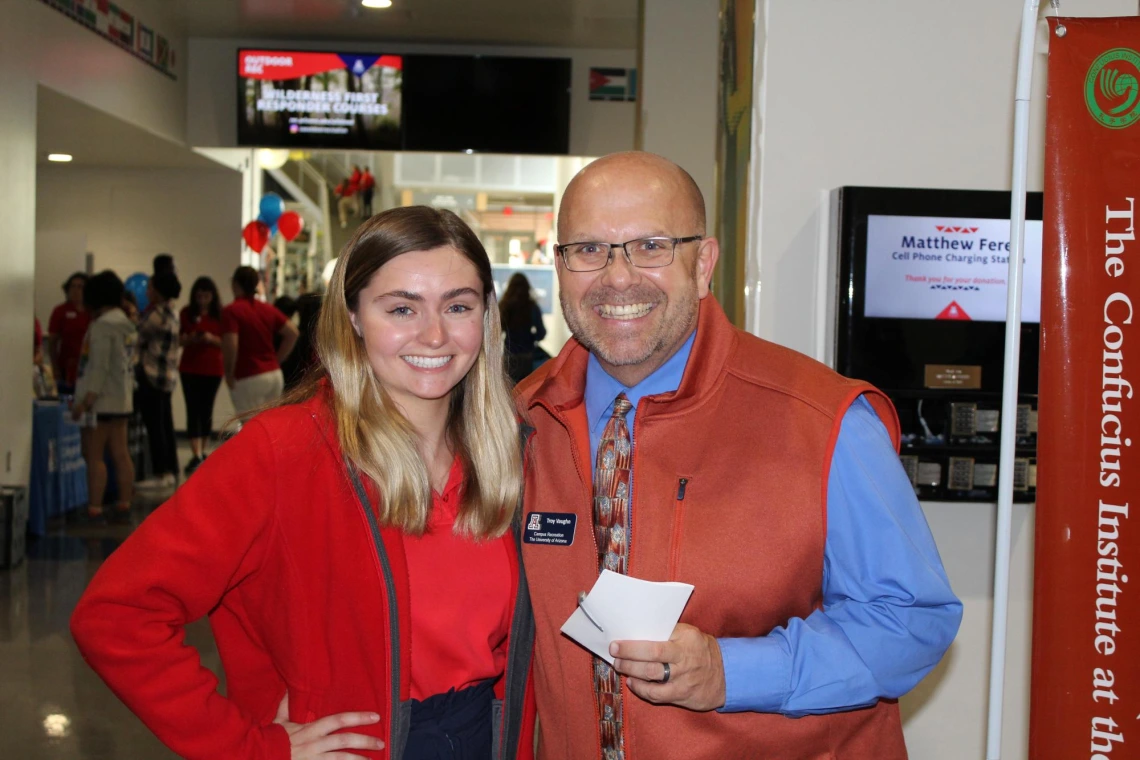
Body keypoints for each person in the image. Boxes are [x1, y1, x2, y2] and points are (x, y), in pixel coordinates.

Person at [515, 152, 962, 759]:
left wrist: (734, 672)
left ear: (703, 265)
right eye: (589, 250)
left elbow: (912, 621)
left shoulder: (821, 421)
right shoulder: (519, 425)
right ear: (560, 266)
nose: (618, 277)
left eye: (651, 246)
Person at [71, 206, 537, 760]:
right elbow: (116, 614)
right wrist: (248, 747)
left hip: (489, 736)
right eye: (402, 308)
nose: (434, 335)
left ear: (486, 318)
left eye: (458, 306)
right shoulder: (282, 451)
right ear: (354, 317)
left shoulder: (511, 450)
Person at [71, 271, 137, 522]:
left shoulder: (102, 326)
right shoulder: (126, 324)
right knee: (121, 453)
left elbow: (98, 367)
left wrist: (86, 400)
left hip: (101, 400)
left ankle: (95, 508)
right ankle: (124, 503)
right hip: (122, 399)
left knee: (95, 455)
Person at [222, 266, 299, 415]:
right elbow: (292, 333)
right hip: (273, 374)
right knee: (269, 423)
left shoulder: (231, 311)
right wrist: (276, 360)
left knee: (249, 425)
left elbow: (231, 344)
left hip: (247, 375)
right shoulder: (267, 309)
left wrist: (229, 373)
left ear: (235, 284)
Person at [136, 271, 183, 488]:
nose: (147, 291)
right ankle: (171, 469)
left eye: (150, 287)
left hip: (152, 374)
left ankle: (161, 473)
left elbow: (136, 335)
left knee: (156, 426)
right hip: (167, 376)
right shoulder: (173, 313)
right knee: (165, 424)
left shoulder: (156, 315)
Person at [179, 277, 225, 476]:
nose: (202, 300)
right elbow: (179, 339)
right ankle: (195, 452)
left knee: (206, 409)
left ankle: (203, 450)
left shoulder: (220, 316)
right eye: (199, 296)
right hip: (189, 368)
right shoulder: (186, 314)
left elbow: (226, 342)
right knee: (192, 409)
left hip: (212, 369)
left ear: (212, 297)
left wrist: (210, 339)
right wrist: (191, 338)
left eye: (206, 296)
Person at [48, 272, 90, 396]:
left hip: (88, 366)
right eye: (73, 286)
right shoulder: (60, 311)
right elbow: (52, 342)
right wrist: (55, 367)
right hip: (67, 367)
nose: (76, 290)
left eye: (80, 286)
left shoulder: (92, 311)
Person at [498, 274, 547, 384]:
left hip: (509, 354)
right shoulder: (532, 307)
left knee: (510, 389)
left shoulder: (505, 306)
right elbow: (541, 333)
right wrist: (530, 337)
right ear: (527, 287)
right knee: (526, 389)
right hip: (527, 355)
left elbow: (497, 331)